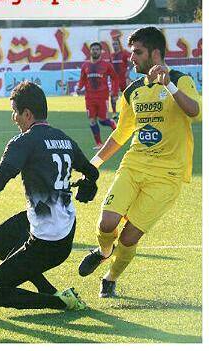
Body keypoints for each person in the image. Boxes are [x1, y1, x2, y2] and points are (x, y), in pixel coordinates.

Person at [0, 81, 99, 311]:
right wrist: (89, 185)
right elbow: (92, 172)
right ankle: (47, 289)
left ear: (27, 114)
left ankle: (59, 301)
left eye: (15, 112)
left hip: (47, 242)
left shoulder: (24, 142)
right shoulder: (63, 138)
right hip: (65, 231)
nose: (13, 118)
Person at [78, 27, 201, 298]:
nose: (131, 58)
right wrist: (93, 164)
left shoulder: (180, 80)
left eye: (137, 52)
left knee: (129, 237)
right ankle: (103, 251)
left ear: (155, 53)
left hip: (167, 175)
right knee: (106, 222)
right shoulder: (133, 91)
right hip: (134, 165)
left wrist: (167, 84)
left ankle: (110, 277)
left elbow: (196, 112)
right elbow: (121, 133)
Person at [76, 42, 119, 150]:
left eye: (97, 49)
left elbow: (115, 78)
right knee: (92, 120)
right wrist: (79, 87)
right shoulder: (85, 66)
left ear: (100, 52)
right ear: (90, 51)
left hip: (102, 97)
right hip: (89, 98)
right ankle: (99, 144)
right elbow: (82, 79)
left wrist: (114, 92)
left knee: (102, 120)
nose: (95, 51)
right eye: (93, 49)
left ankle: (113, 124)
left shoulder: (106, 65)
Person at [110, 37, 131, 119]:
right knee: (113, 96)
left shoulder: (124, 54)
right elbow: (109, 66)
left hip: (123, 79)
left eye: (116, 44)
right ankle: (114, 113)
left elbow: (131, 63)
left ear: (119, 45)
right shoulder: (111, 55)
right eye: (113, 44)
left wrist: (128, 71)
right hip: (115, 80)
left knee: (127, 96)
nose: (115, 46)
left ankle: (128, 112)